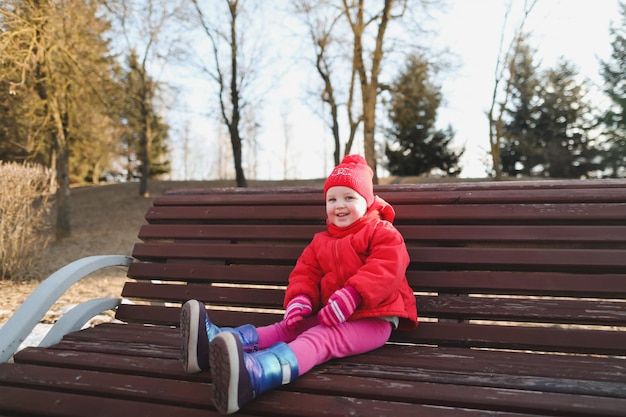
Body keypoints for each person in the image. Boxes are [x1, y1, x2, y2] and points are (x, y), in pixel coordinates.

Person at [180, 154, 418, 415]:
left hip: (374, 319)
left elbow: (387, 267)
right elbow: (305, 273)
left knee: (320, 338)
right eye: (332, 199)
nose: (340, 205)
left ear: (368, 201)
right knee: (287, 327)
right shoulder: (321, 242)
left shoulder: (381, 232)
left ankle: (258, 374)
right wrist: (300, 300)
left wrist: (353, 294)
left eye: (349, 197)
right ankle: (212, 346)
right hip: (333, 313)